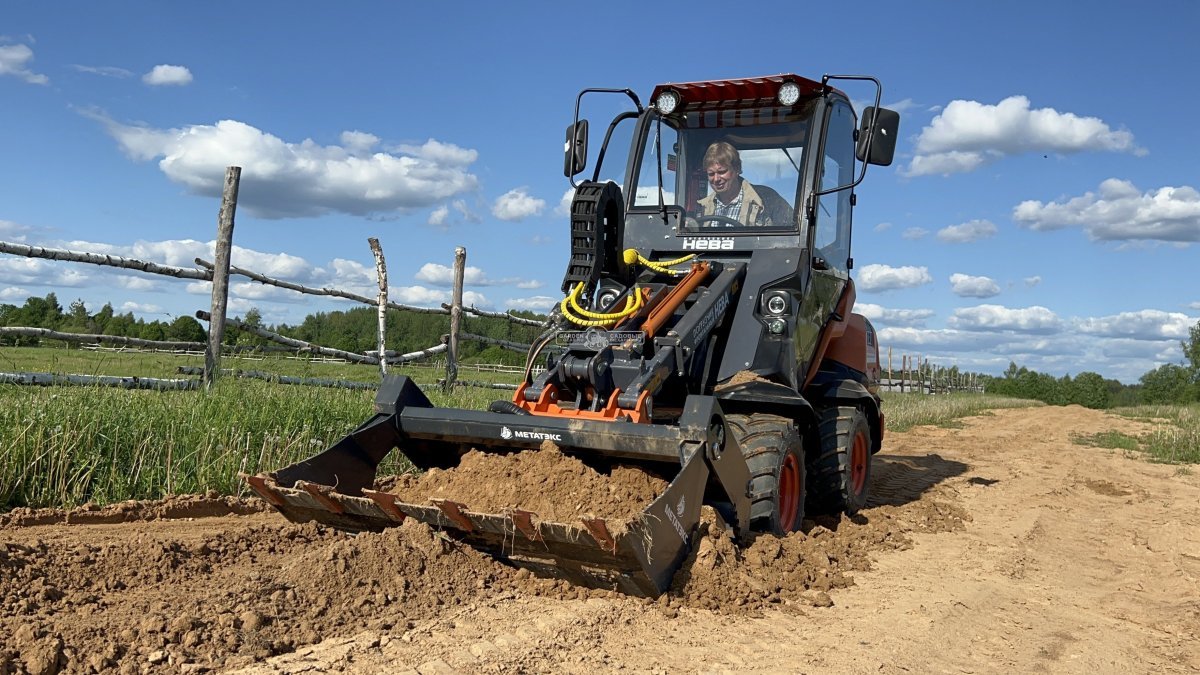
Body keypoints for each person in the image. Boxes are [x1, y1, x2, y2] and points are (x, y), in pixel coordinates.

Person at [696, 141, 793, 227]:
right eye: (711, 174)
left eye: (722, 172)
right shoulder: (700, 209)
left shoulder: (767, 200)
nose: (716, 179)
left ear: (737, 169)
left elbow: (790, 234)